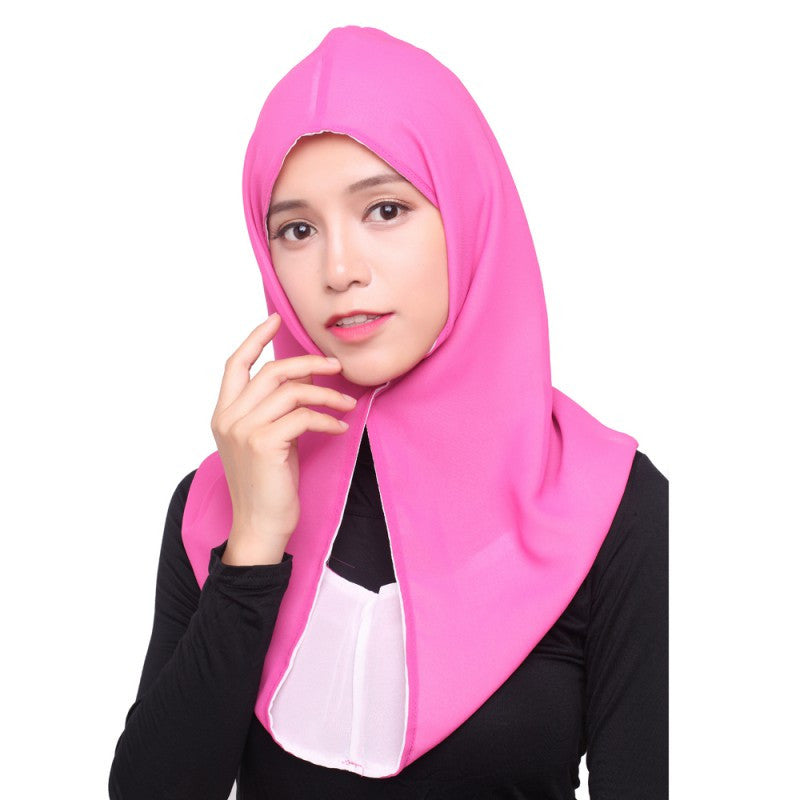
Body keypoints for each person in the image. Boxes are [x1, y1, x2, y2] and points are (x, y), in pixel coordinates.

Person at [108, 25, 668, 800]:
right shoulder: (221, 503)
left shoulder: (613, 507)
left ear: (468, 215)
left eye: (385, 210)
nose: (339, 269)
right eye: (298, 230)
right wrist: (254, 547)